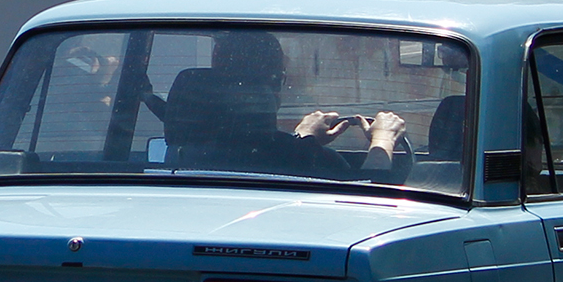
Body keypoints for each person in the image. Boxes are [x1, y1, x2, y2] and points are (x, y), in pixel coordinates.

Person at [165, 30, 407, 177]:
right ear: (272, 86)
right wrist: (382, 141)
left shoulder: (171, 164)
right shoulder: (309, 161)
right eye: (280, 77)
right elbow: (367, 207)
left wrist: (302, 140)